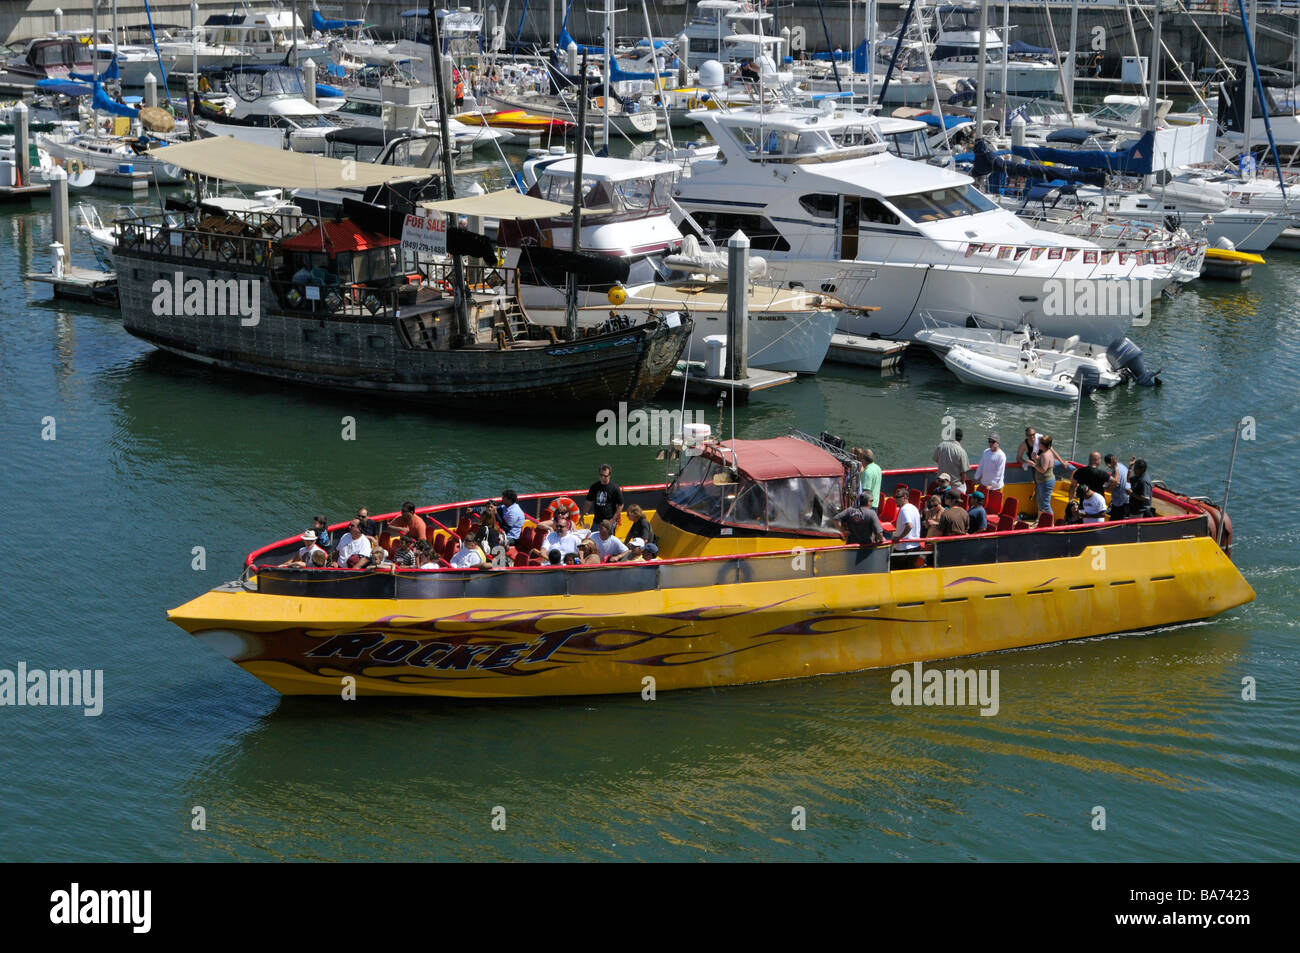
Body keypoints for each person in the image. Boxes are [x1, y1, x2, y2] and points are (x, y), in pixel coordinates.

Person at [1030, 434, 1061, 515]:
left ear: (1043, 445)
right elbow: (1042, 463)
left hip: (1046, 482)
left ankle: (1051, 524)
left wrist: (1033, 464)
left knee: (1045, 504)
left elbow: (1043, 470)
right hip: (1043, 481)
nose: (1038, 444)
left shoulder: (1044, 455)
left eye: (1039, 443)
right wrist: (1036, 458)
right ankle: (1042, 521)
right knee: (1040, 502)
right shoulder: (1047, 452)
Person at [892, 484, 922, 551]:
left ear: (905, 497)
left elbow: (909, 526)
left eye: (898, 497)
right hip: (915, 546)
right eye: (895, 497)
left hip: (904, 547)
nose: (895, 499)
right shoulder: (914, 508)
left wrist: (899, 537)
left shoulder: (904, 509)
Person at [1104, 454, 1130, 521]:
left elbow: (1115, 483)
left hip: (1121, 501)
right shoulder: (1122, 466)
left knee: (1114, 522)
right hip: (1128, 497)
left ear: (1108, 464)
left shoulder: (1115, 470)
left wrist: (1106, 488)